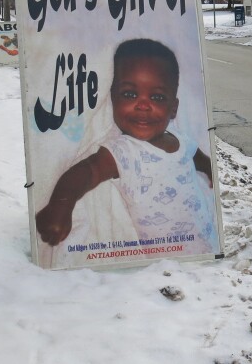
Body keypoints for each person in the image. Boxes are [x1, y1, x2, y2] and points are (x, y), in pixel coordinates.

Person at [35, 38, 217, 254]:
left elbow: (196, 155)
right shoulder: (124, 151)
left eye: (157, 97)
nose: (142, 105)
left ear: (173, 108)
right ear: (113, 99)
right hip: (167, 259)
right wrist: (61, 205)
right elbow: (86, 172)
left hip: (208, 242)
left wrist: (209, 168)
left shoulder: (179, 137)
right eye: (130, 94)